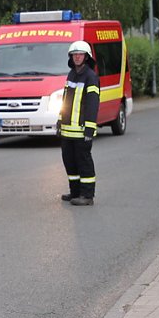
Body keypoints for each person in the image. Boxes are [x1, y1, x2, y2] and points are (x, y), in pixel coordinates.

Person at [58, 40, 100, 206]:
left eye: (80, 54)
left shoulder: (91, 77)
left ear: (86, 56)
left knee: (83, 162)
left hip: (82, 130)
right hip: (68, 130)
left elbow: (92, 104)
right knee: (69, 161)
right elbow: (65, 100)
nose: (77, 57)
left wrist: (90, 128)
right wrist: (60, 121)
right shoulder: (71, 74)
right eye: (74, 55)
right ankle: (75, 192)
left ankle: (87, 195)